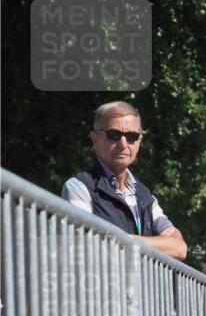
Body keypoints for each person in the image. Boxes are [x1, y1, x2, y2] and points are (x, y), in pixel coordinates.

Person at [62, 101, 188, 260]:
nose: (123, 144)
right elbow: (86, 245)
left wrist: (126, 241)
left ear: (139, 142)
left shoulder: (145, 196)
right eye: (113, 135)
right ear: (95, 139)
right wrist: (151, 244)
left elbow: (179, 248)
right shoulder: (79, 188)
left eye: (131, 136)